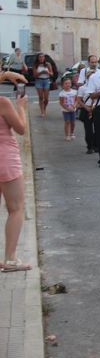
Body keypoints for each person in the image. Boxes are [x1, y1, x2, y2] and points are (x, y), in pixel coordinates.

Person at [0, 93, 31, 272]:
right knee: (15, 208)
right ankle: (10, 259)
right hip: (5, 158)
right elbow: (20, 129)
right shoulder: (3, 102)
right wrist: (20, 106)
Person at [76, 71, 97, 154]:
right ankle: (90, 146)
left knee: (98, 129)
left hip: (96, 108)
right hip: (86, 109)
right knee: (88, 130)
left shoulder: (98, 87)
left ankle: (96, 145)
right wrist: (86, 107)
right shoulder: (83, 88)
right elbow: (79, 100)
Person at [32, 53, 53, 117]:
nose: (41, 58)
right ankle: (42, 111)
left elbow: (52, 74)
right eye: (40, 57)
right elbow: (35, 75)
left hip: (46, 80)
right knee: (41, 97)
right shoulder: (35, 65)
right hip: (39, 81)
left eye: (43, 57)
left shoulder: (48, 64)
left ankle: (44, 108)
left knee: (46, 99)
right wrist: (41, 72)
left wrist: (47, 72)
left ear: (44, 58)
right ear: (38, 58)